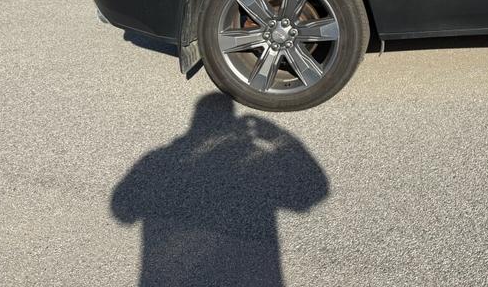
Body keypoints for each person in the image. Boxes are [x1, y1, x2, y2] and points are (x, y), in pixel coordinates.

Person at [112, 93, 328, 286]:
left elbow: (122, 210)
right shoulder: (256, 164)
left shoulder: (160, 160)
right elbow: (314, 191)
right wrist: (276, 134)